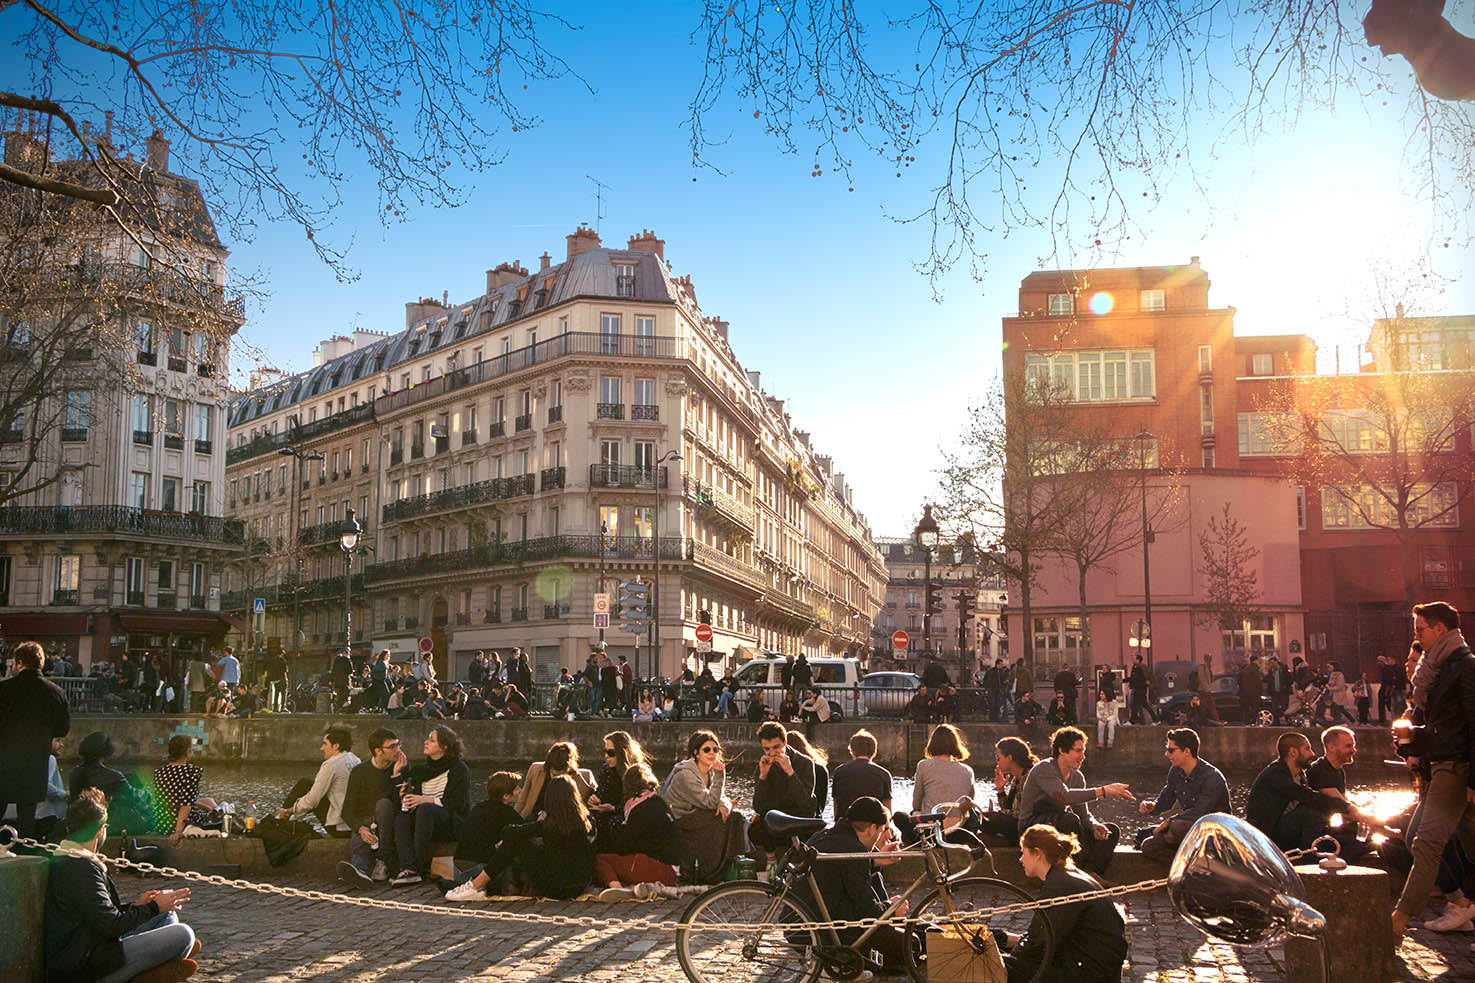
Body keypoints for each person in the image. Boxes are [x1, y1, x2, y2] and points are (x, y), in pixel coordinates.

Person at [45, 788, 200, 983]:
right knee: (183, 934)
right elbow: (111, 925)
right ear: (101, 830)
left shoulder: (73, 859)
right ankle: (148, 970)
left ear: (70, 828)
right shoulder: (79, 867)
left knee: (167, 915)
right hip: (86, 966)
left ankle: (158, 961)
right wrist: (153, 906)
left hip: (93, 946)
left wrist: (137, 907)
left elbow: (100, 915)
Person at [1391, 601, 1475, 943]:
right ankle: (1460, 903)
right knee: (1420, 837)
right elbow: (1443, 727)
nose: (1416, 637)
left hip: (1457, 768)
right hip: (1441, 765)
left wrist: (1473, 779)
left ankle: (1399, 919)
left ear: (1440, 629)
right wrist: (1411, 744)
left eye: (1419, 629)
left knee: (1426, 842)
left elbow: (1471, 724)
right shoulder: (1436, 668)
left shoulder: (1465, 666)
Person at [999, 824, 1128, 983]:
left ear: (1037, 853)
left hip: (1086, 973)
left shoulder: (1059, 885)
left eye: (1023, 853)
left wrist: (1004, 957)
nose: (1021, 859)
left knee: (994, 965)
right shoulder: (1067, 874)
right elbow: (1046, 936)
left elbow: (1038, 943)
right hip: (1095, 964)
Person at [800, 796, 911, 973]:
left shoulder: (826, 835)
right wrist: (891, 908)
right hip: (826, 933)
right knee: (913, 944)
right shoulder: (855, 849)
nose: (883, 835)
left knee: (912, 933)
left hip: (804, 923)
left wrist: (875, 861)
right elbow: (867, 911)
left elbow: (844, 873)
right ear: (871, 828)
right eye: (882, 829)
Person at [456, 774, 596, 900]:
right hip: (580, 883)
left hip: (555, 887)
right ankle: (477, 884)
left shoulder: (546, 825)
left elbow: (508, 831)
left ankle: (476, 885)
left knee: (516, 841)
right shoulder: (588, 821)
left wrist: (540, 822)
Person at [1016, 726, 1132, 876]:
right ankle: (1077, 874)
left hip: (1058, 823)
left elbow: (1083, 814)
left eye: (1083, 751)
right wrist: (1103, 791)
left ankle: (1092, 874)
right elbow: (1064, 796)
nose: (1083, 756)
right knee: (1069, 820)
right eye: (1078, 751)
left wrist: (1094, 825)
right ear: (1062, 751)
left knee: (1111, 830)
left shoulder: (1077, 777)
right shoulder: (1044, 768)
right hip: (1031, 826)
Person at [0, 640, 71, 837]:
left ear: (20, 662)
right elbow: (62, 729)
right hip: (34, 762)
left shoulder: (4, 690)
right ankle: (24, 856)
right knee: (27, 816)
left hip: (4, 761)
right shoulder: (56, 693)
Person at [1245, 731, 1360, 853]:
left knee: (1350, 835)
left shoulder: (1301, 776)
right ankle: (1309, 858)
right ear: (1293, 752)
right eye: (1307, 749)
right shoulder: (1276, 775)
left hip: (1289, 831)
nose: (1312, 753)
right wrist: (1348, 807)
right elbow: (1308, 796)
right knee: (1310, 812)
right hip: (1268, 837)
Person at [660, 729, 750, 883]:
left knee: (735, 816)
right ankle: (718, 869)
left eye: (715, 749)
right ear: (696, 753)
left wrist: (725, 804)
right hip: (680, 821)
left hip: (696, 814)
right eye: (706, 750)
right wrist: (721, 778)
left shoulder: (709, 770)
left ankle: (731, 865)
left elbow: (718, 797)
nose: (712, 753)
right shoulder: (685, 774)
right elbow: (710, 802)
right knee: (730, 818)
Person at [390, 725, 471, 886]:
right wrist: (397, 775)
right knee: (402, 819)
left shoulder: (458, 769)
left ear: (444, 746)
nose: (426, 742)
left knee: (426, 809)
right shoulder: (421, 770)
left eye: (431, 740)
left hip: (449, 822)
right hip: (424, 821)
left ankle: (419, 867)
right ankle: (409, 869)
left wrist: (425, 800)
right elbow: (407, 801)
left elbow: (457, 804)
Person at [1135, 727, 1232, 860]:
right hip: (1188, 829)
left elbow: (1201, 812)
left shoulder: (1212, 777)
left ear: (1187, 751)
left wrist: (1170, 821)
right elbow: (1166, 800)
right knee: (1148, 845)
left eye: (1171, 750)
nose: (1166, 754)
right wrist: (1152, 807)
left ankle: (1191, 861)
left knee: (1176, 826)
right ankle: (1185, 865)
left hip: (1213, 832)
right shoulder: (1175, 771)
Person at [595, 763, 680, 900]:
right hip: (672, 871)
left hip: (656, 868)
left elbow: (624, 846)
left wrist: (618, 827)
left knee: (600, 859)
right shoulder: (659, 801)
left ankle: (617, 888)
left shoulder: (638, 809)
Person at [338, 728, 407, 886]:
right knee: (363, 831)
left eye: (398, 745)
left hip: (389, 820)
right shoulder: (359, 772)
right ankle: (359, 871)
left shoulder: (402, 768)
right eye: (392, 747)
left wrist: (397, 775)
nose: (398, 750)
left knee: (384, 805)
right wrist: (360, 829)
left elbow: (399, 805)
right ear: (378, 751)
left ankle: (380, 862)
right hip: (367, 821)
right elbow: (347, 810)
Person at [442, 771, 525, 900]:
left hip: (458, 869)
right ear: (506, 796)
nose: (520, 790)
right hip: (479, 870)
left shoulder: (477, 808)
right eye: (517, 789)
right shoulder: (508, 814)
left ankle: (456, 884)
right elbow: (525, 833)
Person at [894, 723, 976, 845]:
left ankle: (913, 841)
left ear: (932, 743)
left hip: (932, 832)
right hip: (958, 831)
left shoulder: (923, 765)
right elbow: (969, 802)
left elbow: (916, 803)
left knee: (900, 816)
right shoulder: (968, 770)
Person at [1302, 726, 1374, 861]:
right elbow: (1345, 808)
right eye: (1348, 746)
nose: (1353, 750)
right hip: (1312, 833)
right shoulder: (1320, 771)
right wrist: (1386, 829)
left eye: (1353, 745)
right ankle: (1334, 875)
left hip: (1325, 828)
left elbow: (1345, 813)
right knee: (1363, 843)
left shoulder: (1338, 771)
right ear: (1331, 747)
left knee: (1366, 837)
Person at [748, 721, 818, 859]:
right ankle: (770, 861)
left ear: (785, 742)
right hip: (774, 820)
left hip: (799, 818)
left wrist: (790, 772)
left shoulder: (805, 763)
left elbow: (806, 805)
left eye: (776, 747)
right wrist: (763, 777)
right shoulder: (763, 765)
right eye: (766, 749)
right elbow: (758, 806)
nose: (772, 753)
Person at [277, 726, 361, 835]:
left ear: (336, 746)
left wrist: (290, 810)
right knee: (311, 788)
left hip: (338, 827)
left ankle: (280, 820)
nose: (322, 748)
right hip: (353, 824)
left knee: (305, 784)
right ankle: (284, 819)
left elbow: (312, 800)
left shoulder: (331, 765)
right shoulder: (356, 759)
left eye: (325, 744)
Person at [149, 736, 216, 845]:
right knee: (215, 809)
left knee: (208, 800)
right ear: (188, 751)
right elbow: (185, 804)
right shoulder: (192, 771)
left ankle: (214, 809)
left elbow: (173, 798)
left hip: (163, 823)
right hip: (180, 824)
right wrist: (178, 832)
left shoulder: (159, 772)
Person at [590, 730, 651, 846]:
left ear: (622, 752)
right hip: (606, 813)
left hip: (626, 815)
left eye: (611, 752)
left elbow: (639, 805)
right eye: (605, 752)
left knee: (614, 823)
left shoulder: (637, 774)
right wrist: (594, 799)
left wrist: (613, 808)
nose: (606, 756)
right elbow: (601, 794)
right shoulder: (606, 770)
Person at [513, 741, 597, 818]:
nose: (556, 778)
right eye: (553, 774)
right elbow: (522, 799)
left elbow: (586, 806)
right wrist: (514, 819)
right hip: (533, 817)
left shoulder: (584, 777)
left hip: (564, 822)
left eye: (561, 775)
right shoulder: (535, 769)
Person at [831, 729, 893, 820]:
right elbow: (887, 810)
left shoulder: (839, 772)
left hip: (845, 824)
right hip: (873, 825)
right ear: (874, 752)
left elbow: (836, 805)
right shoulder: (883, 774)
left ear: (852, 750)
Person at [786, 730, 830, 817]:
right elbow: (822, 802)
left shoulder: (784, 770)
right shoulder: (820, 769)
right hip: (813, 819)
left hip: (788, 818)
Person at [1094, 668, 1119, 749]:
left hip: (1111, 718)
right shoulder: (1099, 703)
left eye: (1102, 694)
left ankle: (1110, 742)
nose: (1101, 696)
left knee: (1111, 725)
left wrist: (1107, 719)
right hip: (1103, 718)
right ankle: (1100, 742)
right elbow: (1097, 713)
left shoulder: (1114, 703)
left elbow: (1115, 715)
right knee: (1100, 725)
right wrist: (1101, 718)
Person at [1239, 656, 1264, 724]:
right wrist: (1260, 691)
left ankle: (1247, 721)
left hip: (1245, 693)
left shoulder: (1244, 669)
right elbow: (1258, 682)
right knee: (1255, 707)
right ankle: (1253, 721)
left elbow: (1239, 681)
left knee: (1246, 708)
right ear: (1255, 660)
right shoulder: (1255, 669)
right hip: (1254, 692)